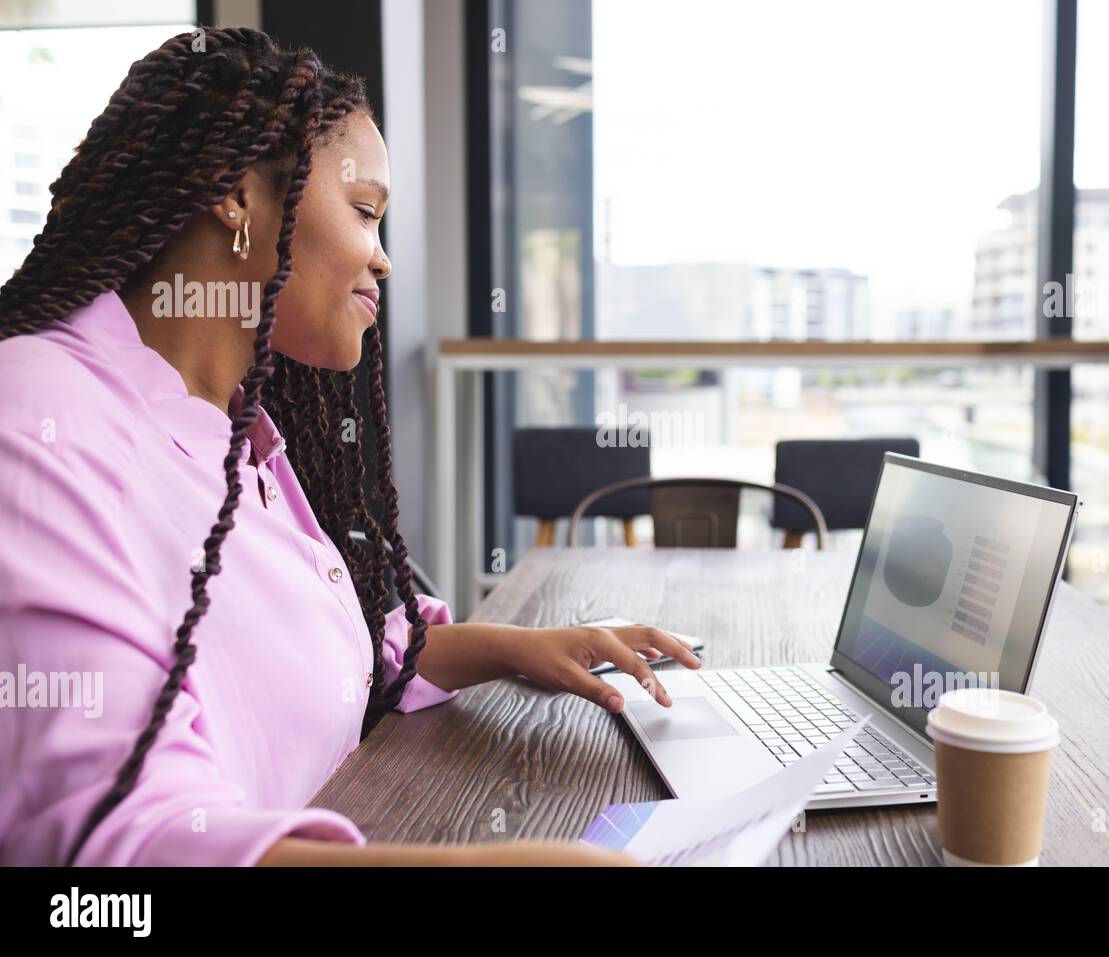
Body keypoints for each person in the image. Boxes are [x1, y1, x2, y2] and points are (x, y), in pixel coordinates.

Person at [0, 27, 698, 867]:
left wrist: (516, 647)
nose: (384, 257)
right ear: (236, 195)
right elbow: (118, 843)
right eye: (366, 210)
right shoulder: (36, 416)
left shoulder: (241, 434)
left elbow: (345, 649)